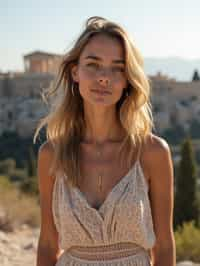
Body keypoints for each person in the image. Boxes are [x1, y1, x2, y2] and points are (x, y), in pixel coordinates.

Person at [35, 16, 176, 266]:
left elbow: (164, 245)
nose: (104, 77)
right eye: (93, 64)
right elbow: (47, 243)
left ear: (127, 80)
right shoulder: (51, 154)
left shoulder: (152, 152)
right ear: (75, 71)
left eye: (117, 68)